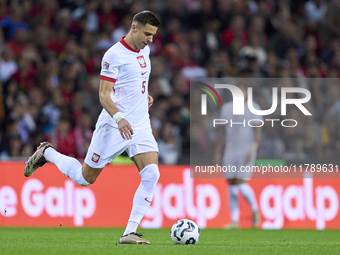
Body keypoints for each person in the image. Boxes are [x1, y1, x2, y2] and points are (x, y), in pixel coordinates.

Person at [24, 11, 160, 244]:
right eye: (147, 34)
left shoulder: (145, 51)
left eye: (154, 35)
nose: (150, 40)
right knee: (85, 178)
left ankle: (129, 232)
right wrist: (119, 118)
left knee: (152, 173)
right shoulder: (113, 55)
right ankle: (47, 152)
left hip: (140, 124)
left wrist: (144, 96)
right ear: (134, 27)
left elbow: (135, 82)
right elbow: (104, 94)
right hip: (114, 126)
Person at [214, 83, 261, 228]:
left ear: (247, 92)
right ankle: (234, 220)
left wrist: (252, 149)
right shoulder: (227, 108)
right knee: (231, 184)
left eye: (243, 90)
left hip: (246, 150)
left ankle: (255, 209)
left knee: (241, 183)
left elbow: (258, 132)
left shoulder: (254, 108)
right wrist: (218, 151)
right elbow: (222, 132)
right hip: (230, 150)